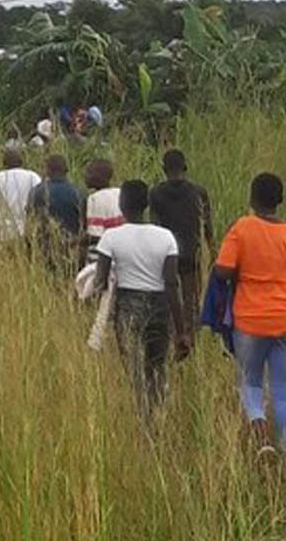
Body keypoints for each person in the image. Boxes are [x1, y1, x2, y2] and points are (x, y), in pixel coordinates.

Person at [212, 173, 286, 456]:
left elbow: (222, 271)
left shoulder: (242, 228)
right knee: (285, 392)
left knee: (250, 382)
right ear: (280, 200)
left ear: (252, 199)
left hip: (250, 324)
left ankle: (262, 435)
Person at [91, 180, 189, 424]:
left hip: (128, 307)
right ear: (146, 205)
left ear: (122, 203)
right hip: (160, 307)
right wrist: (181, 331)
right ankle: (157, 416)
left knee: (134, 368)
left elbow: (100, 281)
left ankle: (142, 417)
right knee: (157, 366)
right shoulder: (165, 237)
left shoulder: (111, 237)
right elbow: (172, 283)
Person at [149, 149, 214, 348]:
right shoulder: (199, 192)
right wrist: (213, 251)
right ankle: (191, 339)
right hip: (192, 253)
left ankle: (173, 337)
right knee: (191, 301)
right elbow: (208, 226)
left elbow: (154, 226)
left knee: (170, 299)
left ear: (164, 169)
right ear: (185, 167)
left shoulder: (155, 193)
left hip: (167, 254)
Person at [30, 154, 84, 274]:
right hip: (72, 249)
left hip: (44, 249)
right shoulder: (78, 192)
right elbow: (84, 224)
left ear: (47, 171)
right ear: (66, 170)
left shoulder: (37, 192)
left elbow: (31, 220)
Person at [0, 149, 42, 245]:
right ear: (21, 162)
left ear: (3, 163)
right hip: (28, 232)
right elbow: (43, 200)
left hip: (4, 233)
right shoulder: (33, 177)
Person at [82, 158, 122, 263]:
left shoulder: (94, 199)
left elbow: (96, 235)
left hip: (101, 259)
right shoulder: (119, 193)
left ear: (98, 176)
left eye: (89, 172)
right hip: (121, 254)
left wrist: (78, 241)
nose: (85, 176)